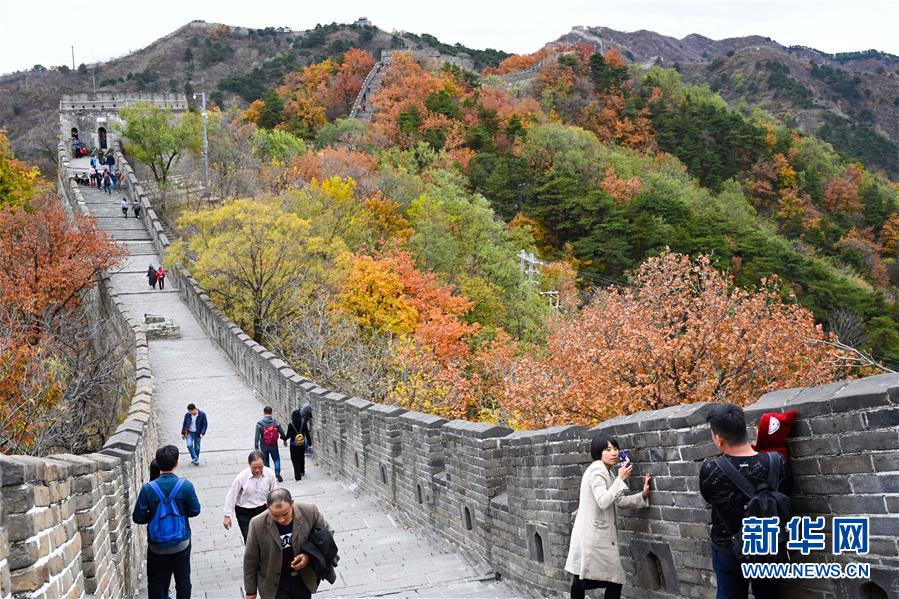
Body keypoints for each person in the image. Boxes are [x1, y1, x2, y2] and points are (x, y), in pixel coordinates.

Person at [700, 404, 792, 599]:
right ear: (744, 430)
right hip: (767, 545)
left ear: (718, 438)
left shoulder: (711, 469)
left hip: (728, 547)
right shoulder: (777, 461)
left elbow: (709, 497)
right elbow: (784, 493)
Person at [565, 436, 651, 599]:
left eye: (615, 449)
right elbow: (603, 501)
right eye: (608, 449)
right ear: (598, 452)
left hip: (590, 536)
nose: (614, 453)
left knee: (580, 579)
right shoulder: (597, 471)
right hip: (593, 537)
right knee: (614, 580)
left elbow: (619, 501)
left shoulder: (608, 472)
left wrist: (643, 495)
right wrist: (620, 479)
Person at [132, 445, 201, 599]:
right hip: (181, 543)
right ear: (177, 462)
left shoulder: (148, 489)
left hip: (157, 546)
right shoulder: (186, 486)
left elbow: (138, 517)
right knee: (183, 579)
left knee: (156, 581)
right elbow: (195, 510)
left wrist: (154, 516)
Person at [243, 488, 331, 599]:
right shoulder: (257, 524)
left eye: (285, 514)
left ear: (292, 503)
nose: (281, 519)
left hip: (303, 579)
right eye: (275, 515)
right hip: (274, 583)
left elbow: (327, 533)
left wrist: (308, 555)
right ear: (267, 507)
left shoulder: (309, 511)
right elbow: (250, 559)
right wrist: (250, 591)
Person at [224, 450, 279, 543]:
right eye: (254, 467)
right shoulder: (241, 477)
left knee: (266, 538)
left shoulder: (270, 474)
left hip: (263, 509)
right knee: (250, 539)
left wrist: (276, 508)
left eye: (260, 467)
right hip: (245, 512)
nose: (257, 470)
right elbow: (231, 496)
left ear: (264, 463)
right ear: (249, 465)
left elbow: (274, 492)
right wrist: (227, 515)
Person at [255, 407, 287, 483]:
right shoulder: (276, 422)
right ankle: (277, 473)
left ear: (264, 413)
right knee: (276, 459)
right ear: (271, 413)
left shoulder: (260, 423)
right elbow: (282, 433)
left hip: (264, 445)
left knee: (266, 461)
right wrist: (284, 440)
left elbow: (257, 436)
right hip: (273, 445)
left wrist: (256, 446)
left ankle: (268, 476)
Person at [285, 404, 312, 481]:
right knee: (301, 457)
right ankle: (302, 471)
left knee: (295, 459)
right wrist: (310, 444)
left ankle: (297, 475)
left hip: (293, 445)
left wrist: (283, 438)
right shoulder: (304, 423)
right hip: (301, 444)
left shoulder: (291, 425)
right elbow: (307, 434)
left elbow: (288, 435)